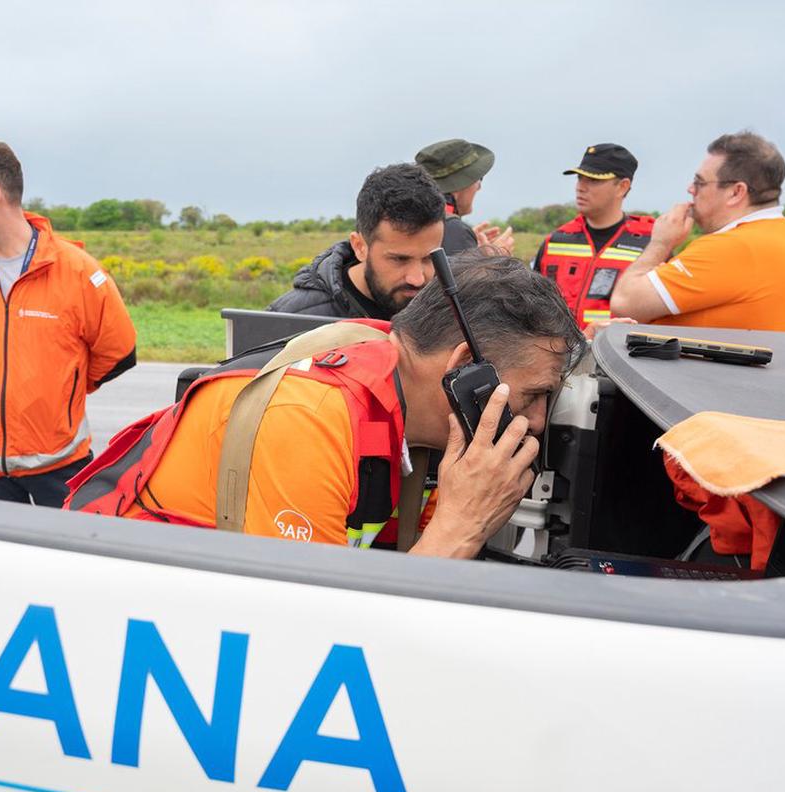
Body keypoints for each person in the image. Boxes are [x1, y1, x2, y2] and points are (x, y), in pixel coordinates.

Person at [65, 254, 585, 559]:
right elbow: (320, 634)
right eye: (534, 394)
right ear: (465, 367)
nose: (538, 420)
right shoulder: (308, 418)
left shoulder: (396, 376)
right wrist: (462, 526)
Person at [0, 138, 137, 506]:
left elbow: (120, 351)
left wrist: (62, 384)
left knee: (67, 559)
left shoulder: (79, 272)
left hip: (59, 463)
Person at [610, 131, 785, 330]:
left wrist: (661, 242)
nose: (690, 189)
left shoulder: (733, 247)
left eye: (700, 182)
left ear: (736, 192)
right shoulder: (778, 231)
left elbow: (625, 303)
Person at [267, 164, 446, 319]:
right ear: (359, 246)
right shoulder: (291, 320)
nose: (417, 279)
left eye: (430, 259)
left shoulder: (450, 314)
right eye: (399, 259)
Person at [532, 143, 655, 329]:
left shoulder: (651, 247)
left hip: (615, 354)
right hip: (559, 354)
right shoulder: (555, 241)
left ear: (622, 187)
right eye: (580, 178)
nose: (580, 187)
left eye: (593, 180)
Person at [415, 138, 514, 256]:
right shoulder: (453, 229)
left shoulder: (415, 217)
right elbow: (457, 275)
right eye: (478, 179)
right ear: (460, 185)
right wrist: (496, 260)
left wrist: (471, 247)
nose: (479, 188)